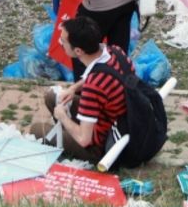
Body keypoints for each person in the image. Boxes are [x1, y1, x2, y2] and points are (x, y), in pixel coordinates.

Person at [31, 16, 134, 163]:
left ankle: (67, 137)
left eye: (63, 42)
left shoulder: (94, 86)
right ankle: (66, 134)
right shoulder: (115, 52)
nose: (61, 43)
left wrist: (63, 117)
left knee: (37, 130)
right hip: (120, 118)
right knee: (52, 97)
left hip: (99, 146)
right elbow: (102, 74)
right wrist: (73, 88)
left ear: (78, 51)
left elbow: (85, 140)